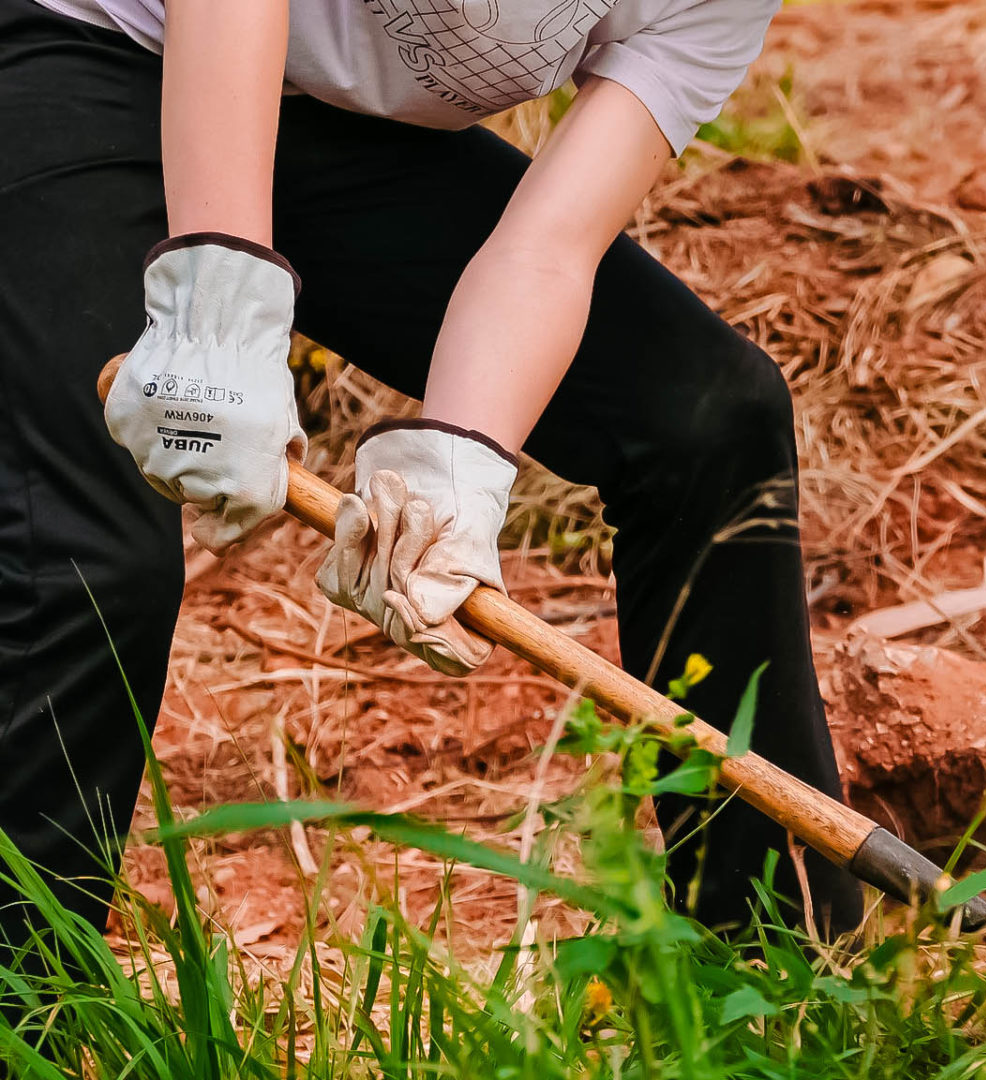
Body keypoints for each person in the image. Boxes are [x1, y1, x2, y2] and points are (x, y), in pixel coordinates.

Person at [0, 0, 863, 956]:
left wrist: (461, 455)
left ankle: (779, 967)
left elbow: (549, 248)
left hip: (338, 130)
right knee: (89, 559)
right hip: (90, 45)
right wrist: (221, 297)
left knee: (713, 416)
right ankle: (16, 1004)